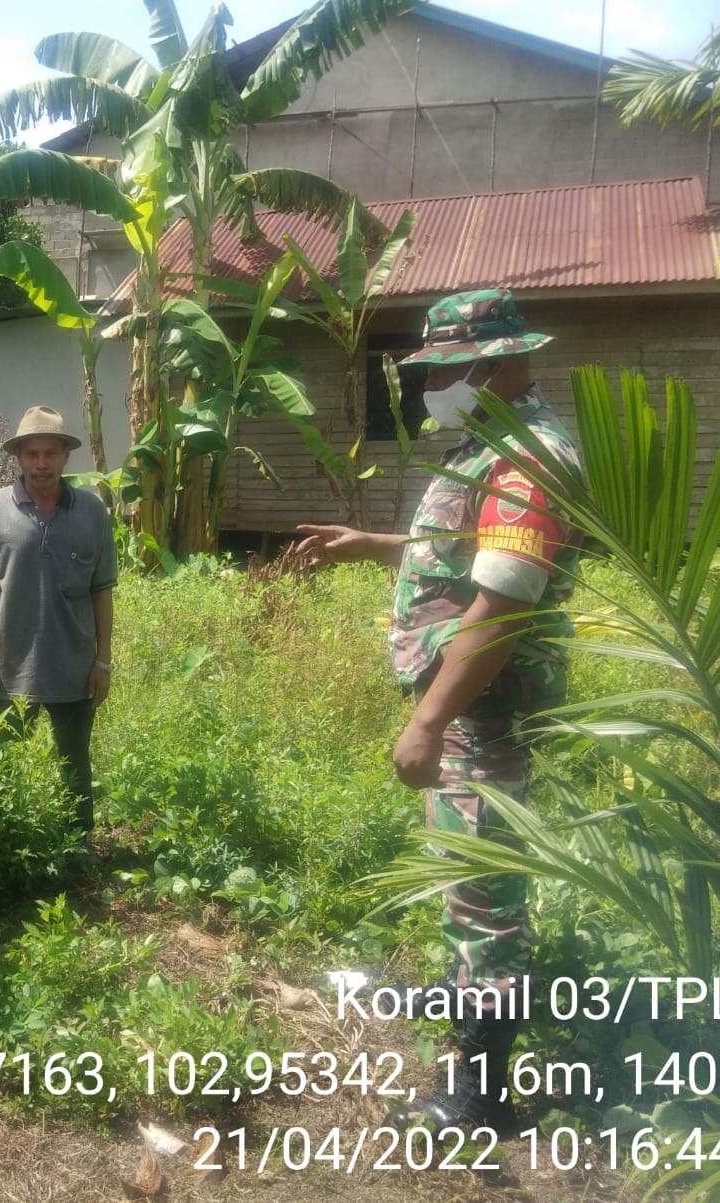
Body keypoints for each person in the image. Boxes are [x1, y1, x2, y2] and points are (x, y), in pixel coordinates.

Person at [296, 288, 583, 1132]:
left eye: (443, 371)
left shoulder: (527, 459)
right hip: (470, 706)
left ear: (495, 363)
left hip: (481, 707)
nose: (431, 388)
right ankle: (465, 999)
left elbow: (505, 604)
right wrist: (372, 546)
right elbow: (464, 554)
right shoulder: (491, 444)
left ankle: (479, 1095)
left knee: (485, 889)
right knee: (468, 875)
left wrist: (427, 721)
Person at [0, 406, 117, 832]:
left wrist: (103, 661)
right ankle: (6, 846)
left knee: (75, 767)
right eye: (32, 453)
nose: (41, 463)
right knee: (4, 765)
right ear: (19, 457)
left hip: (75, 669)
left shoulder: (91, 511)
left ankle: (77, 848)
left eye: (50, 453)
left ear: (66, 456)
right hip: (9, 669)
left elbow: (102, 590)